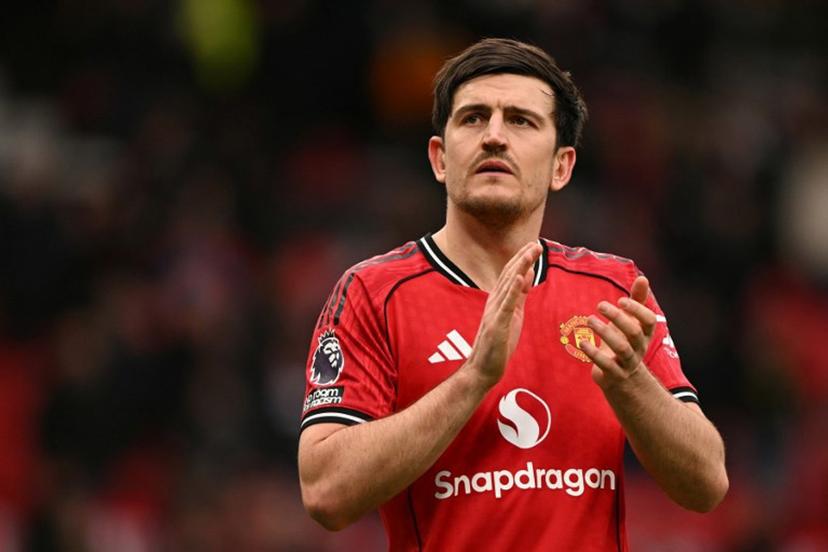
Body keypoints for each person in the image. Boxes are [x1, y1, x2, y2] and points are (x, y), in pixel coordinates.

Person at [297, 38, 728, 551]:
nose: (494, 137)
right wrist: (474, 377)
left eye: (521, 120)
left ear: (561, 166)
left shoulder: (613, 290)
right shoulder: (374, 293)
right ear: (439, 157)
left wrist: (632, 381)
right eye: (474, 118)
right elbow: (325, 492)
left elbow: (707, 484)